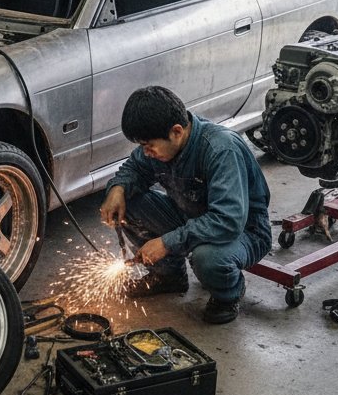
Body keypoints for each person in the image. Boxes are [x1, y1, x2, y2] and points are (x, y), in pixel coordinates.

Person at [99, 85, 271, 324]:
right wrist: (117, 189)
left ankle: (228, 293)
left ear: (176, 131)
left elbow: (228, 220)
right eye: (142, 146)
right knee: (127, 200)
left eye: (149, 146)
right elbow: (134, 168)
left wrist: (166, 242)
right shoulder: (162, 145)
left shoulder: (221, 149)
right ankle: (169, 276)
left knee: (208, 258)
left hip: (243, 231)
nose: (146, 152)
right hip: (190, 215)